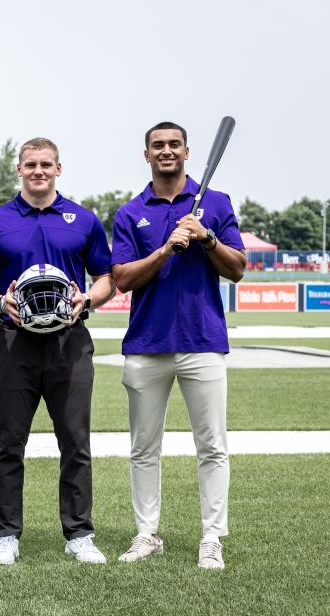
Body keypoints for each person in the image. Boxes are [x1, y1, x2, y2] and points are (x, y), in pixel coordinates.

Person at [111, 122, 245, 569]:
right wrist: (167, 249)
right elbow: (123, 279)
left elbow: (238, 269)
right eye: (157, 146)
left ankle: (212, 537)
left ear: (187, 151)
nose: (166, 151)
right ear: (146, 154)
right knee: (143, 448)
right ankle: (147, 534)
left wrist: (207, 238)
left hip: (203, 340)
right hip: (146, 344)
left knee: (212, 446)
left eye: (173, 144)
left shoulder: (217, 203)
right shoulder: (131, 212)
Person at [0, 137, 115, 566]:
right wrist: (1, 302)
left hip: (69, 343)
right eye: (30, 164)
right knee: (8, 443)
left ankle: (79, 534)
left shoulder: (83, 219)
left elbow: (107, 278)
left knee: (75, 442)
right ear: (18, 169)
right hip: (15, 343)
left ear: (59, 168)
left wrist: (87, 300)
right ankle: (6, 535)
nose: (38, 171)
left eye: (46, 164)